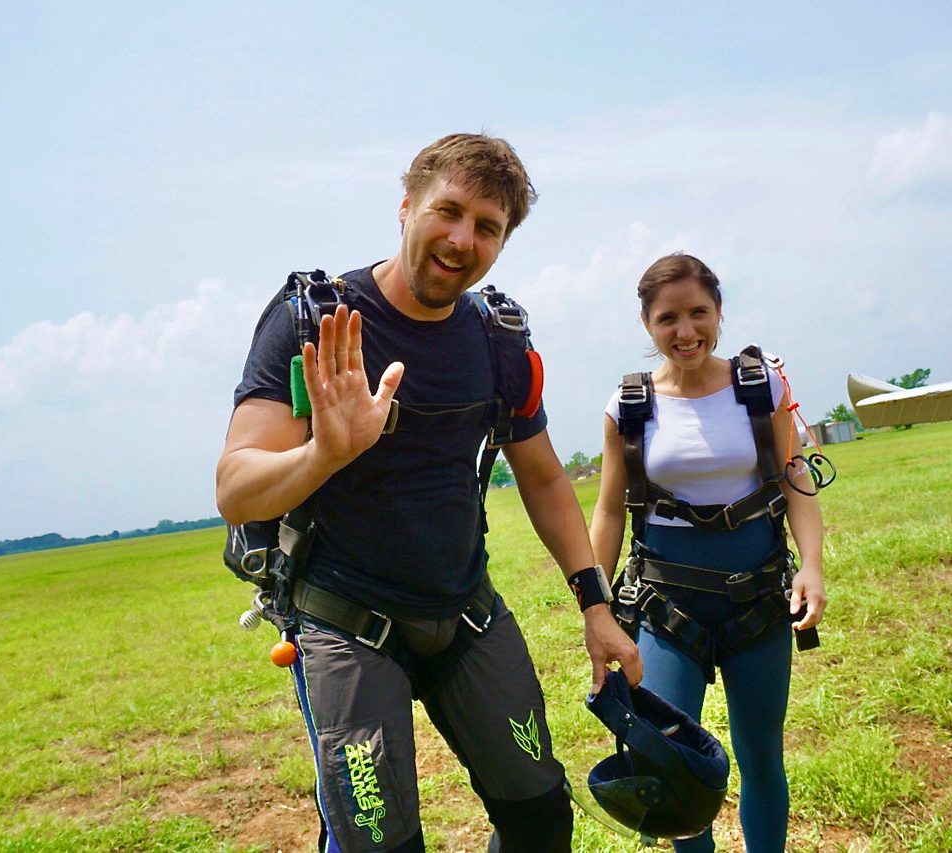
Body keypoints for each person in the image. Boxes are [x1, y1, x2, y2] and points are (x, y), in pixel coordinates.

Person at [216, 133, 640, 853]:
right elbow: (235, 488)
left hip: (464, 612)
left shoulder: (496, 338)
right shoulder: (315, 321)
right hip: (346, 622)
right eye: (448, 211)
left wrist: (595, 603)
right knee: (378, 842)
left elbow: (541, 476)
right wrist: (325, 451)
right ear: (407, 204)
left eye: (487, 227)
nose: (460, 238)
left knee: (540, 814)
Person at [589, 253, 826, 852]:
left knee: (760, 757)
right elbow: (610, 509)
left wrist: (814, 568)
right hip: (669, 609)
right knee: (672, 767)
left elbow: (794, 478)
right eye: (668, 318)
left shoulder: (758, 386)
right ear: (647, 324)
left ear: (720, 312)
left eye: (699, 313)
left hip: (758, 602)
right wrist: (597, 606)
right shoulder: (630, 407)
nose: (686, 331)